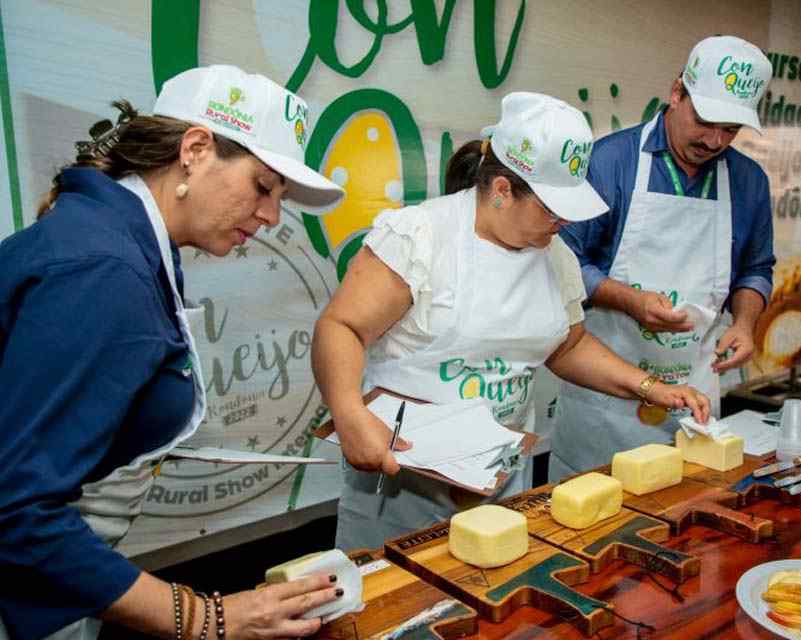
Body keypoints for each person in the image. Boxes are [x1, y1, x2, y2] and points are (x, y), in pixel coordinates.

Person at [0, 66, 347, 640]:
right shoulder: (105, 271)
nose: (271, 217)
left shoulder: (121, 243)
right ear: (194, 149)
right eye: (263, 187)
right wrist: (211, 618)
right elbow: (16, 510)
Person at [312, 91, 710, 551]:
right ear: (502, 190)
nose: (563, 222)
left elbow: (568, 346)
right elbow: (340, 327)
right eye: (552, 209)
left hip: (498, 474)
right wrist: (348, 411)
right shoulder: (421, 237)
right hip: (402, 477)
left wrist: (649, 387)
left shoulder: (553, 254)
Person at [549, 35, 776, 480]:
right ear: (676, 93)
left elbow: (755, 268)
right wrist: (628, 300)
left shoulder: (749, 182)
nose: (714, 140)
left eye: (730, 130)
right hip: (604, 401)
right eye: (705, 120)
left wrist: (746, 323)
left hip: (692, 399)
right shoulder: (609, 162)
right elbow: (561, 263)